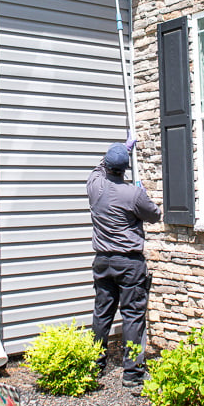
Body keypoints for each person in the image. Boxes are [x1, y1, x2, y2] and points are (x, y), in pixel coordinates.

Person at [88, 138, 161, 387]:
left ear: (107, 165)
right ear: (125, 168)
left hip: (102, 262)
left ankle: (95, 365)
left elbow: (99, 168)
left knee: (102, 313)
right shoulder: (133, 193)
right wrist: (142, 193)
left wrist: (122, 148)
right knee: (132, 314)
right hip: (129, 263)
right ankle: (133, 373)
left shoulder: (94, 186)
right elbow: (155, 215)